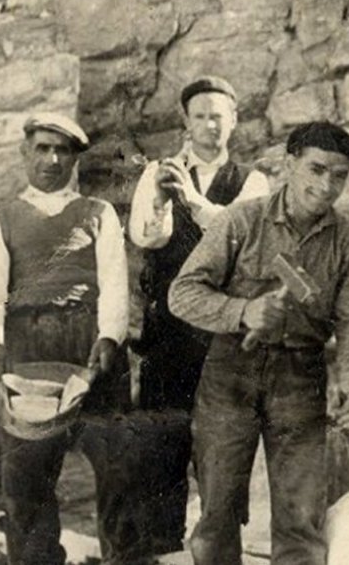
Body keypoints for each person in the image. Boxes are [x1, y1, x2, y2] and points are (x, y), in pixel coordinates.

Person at [169, 121, 349, 565]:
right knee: (218, 512)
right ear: (289, 163)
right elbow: (181, 294)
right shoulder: (240, 221)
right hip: (230, 373)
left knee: (301, 518)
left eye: (339, 176)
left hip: (301, 379)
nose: (326, 185)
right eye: (316, 169)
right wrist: (242, 311)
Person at [0, 114, 133, 564]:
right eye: (42, 148)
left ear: (75, 159)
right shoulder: (0, 219)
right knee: (25, 474)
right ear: (25, 153)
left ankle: (125, 558)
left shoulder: (99, 214)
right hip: (28, 349)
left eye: (62, 150)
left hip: (89, 344)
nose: (52, 159)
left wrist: (109, 337)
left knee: (118, 463)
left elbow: (115, 282)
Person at [125, 76, 269, 556]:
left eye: (218, 117)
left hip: (224, 342)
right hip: (168, 340)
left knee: (222, 465)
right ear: (185, 122)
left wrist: (192, 200)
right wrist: (162, 200)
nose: (210, 125)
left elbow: (241, 242)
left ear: (234, 121)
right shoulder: (157, 173)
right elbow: (146, 238)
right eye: (200, 116)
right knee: (160, 461)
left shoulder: (252, 182)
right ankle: (163, 554)